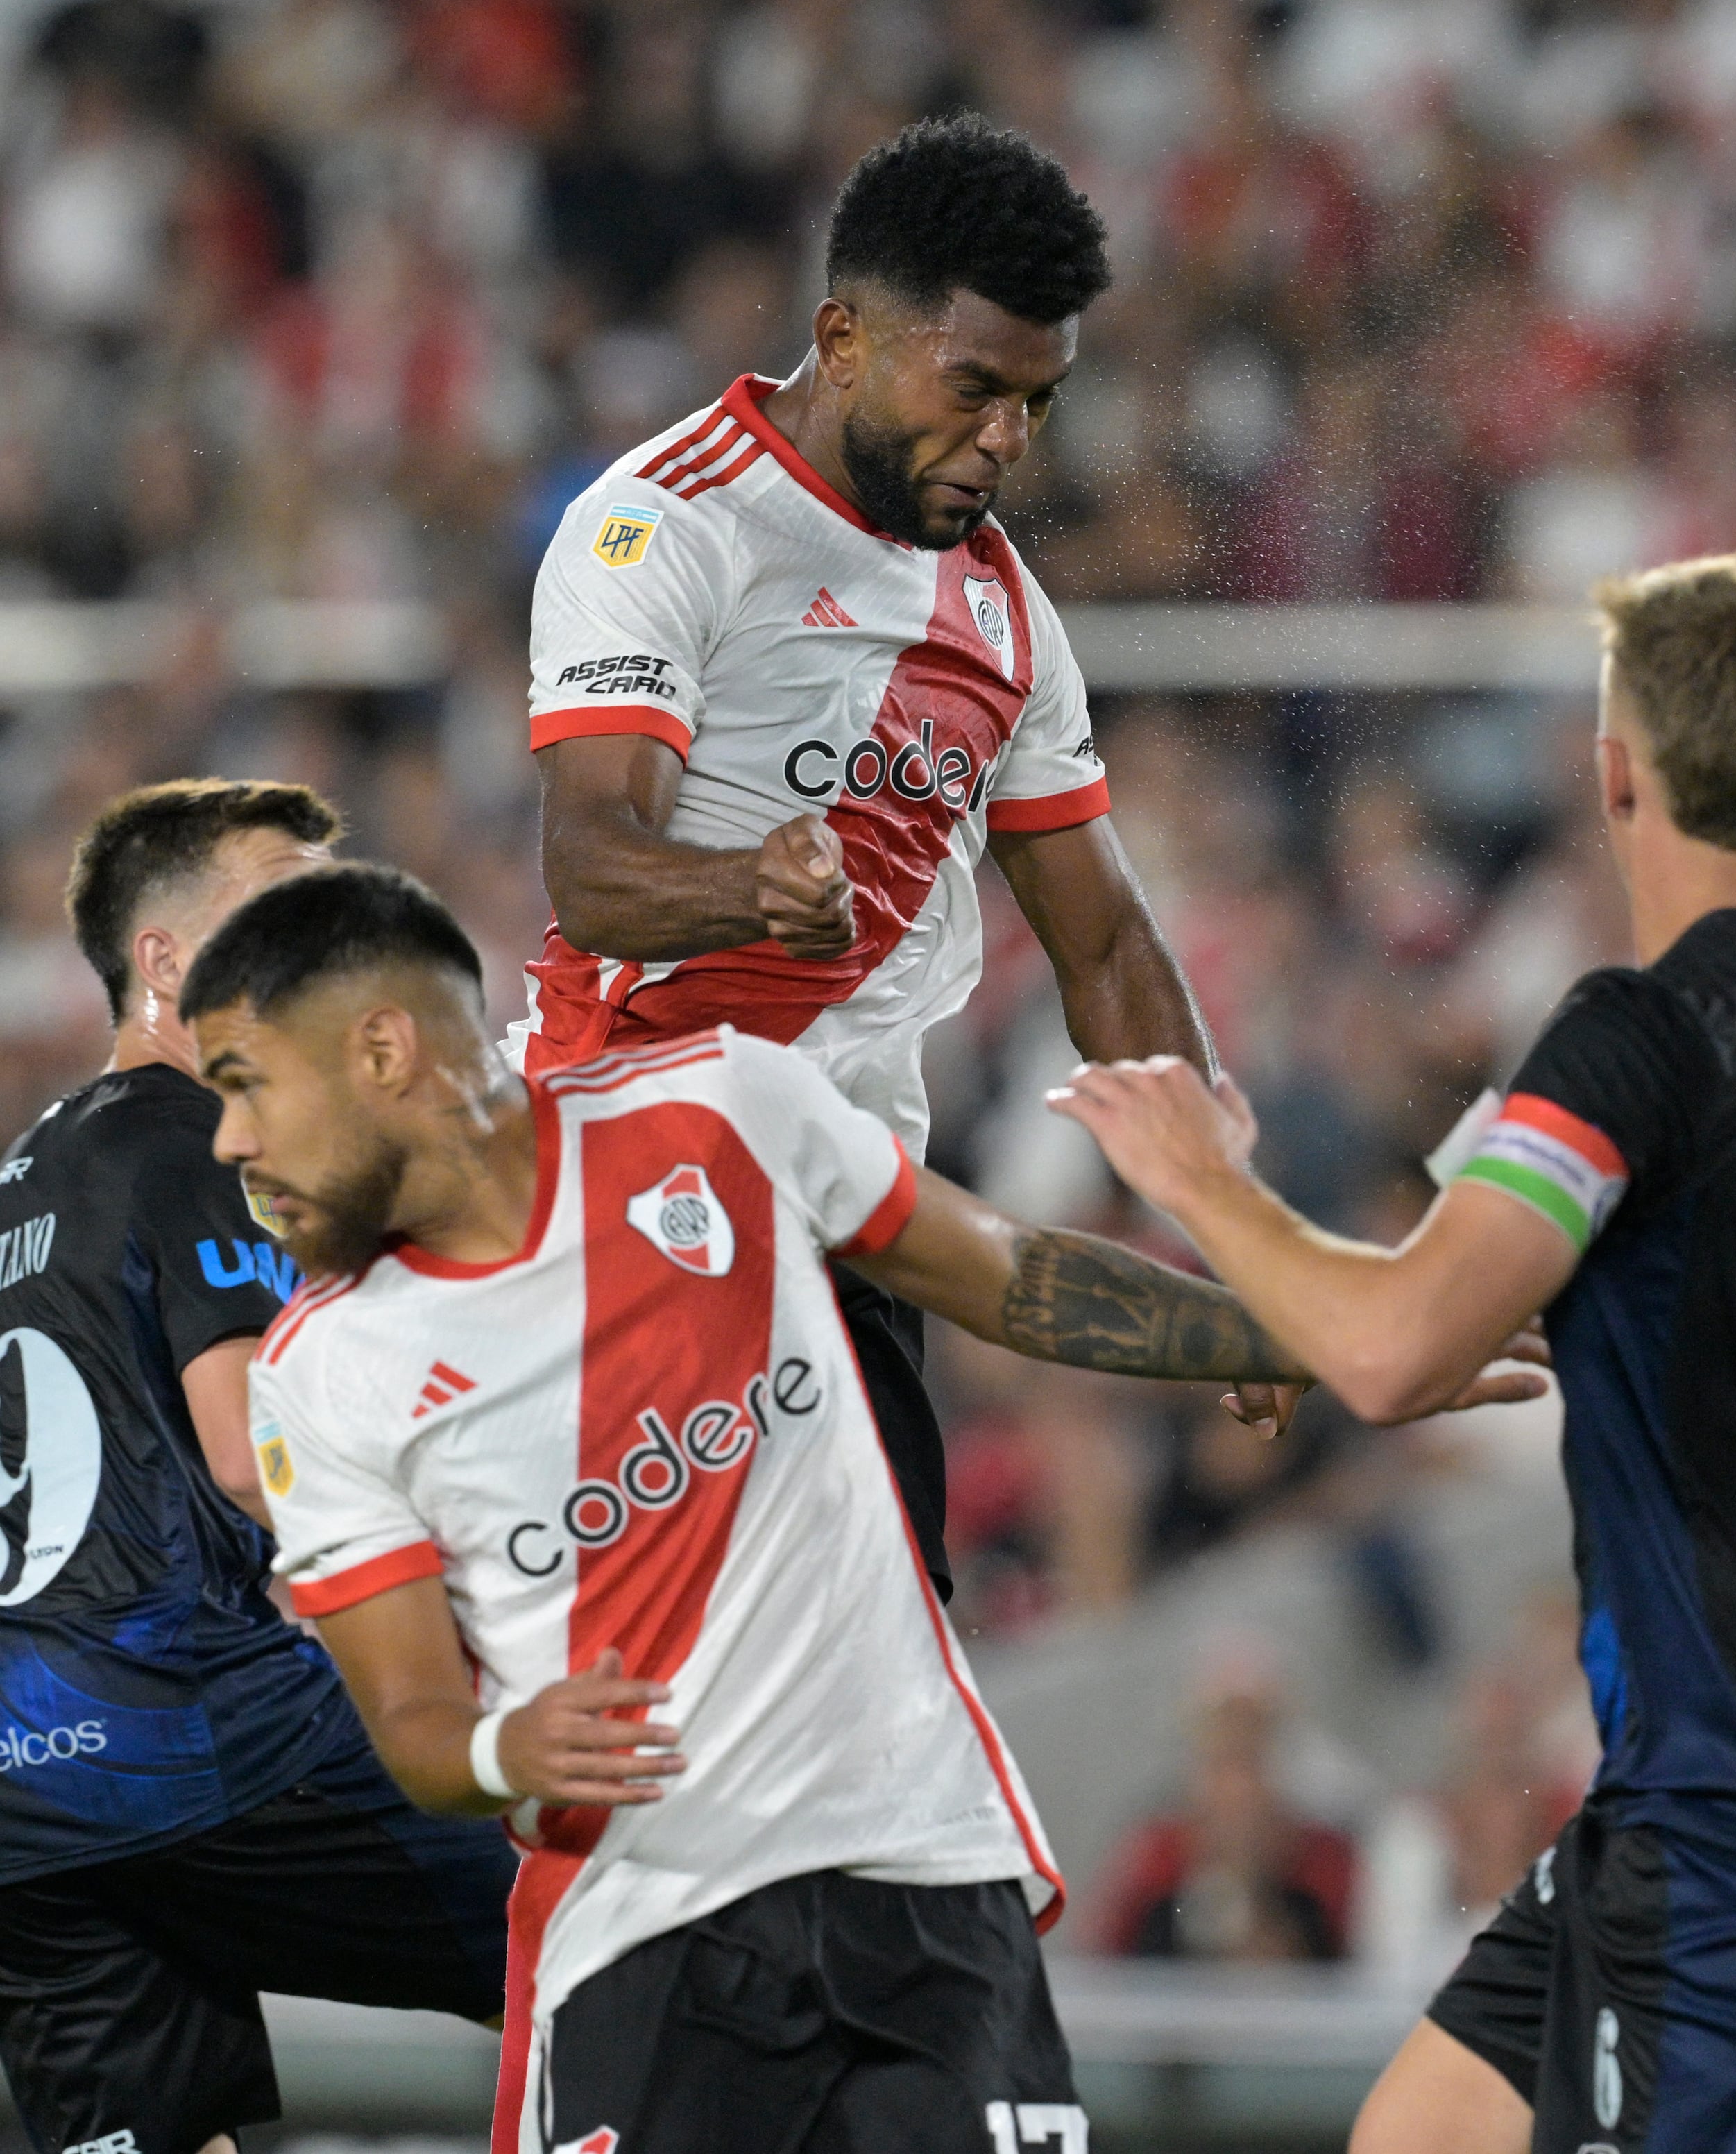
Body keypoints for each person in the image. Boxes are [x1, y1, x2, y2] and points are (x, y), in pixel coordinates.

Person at [195, 863, 1538, 2154]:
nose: (229, 1139)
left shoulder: (721, 1109)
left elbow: (1007, 1274)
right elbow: (417, 1720)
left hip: (920, 1872)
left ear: (383, 1051)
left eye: (247, 1083)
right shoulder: (325, 1371)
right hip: (646, 1936)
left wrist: (1304, 1326)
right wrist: (506, 1748)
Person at [1048, 554, 1736, 2154]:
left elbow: (1393, 1355)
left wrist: (1199, 1182)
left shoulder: (1641, 1034)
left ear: (1610, 776)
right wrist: (1691, 1280)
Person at [512, 112, 1214, 1597]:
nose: (1008, 441)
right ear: (842, 337)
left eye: (1039, 400)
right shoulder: (665, 525)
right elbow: (590, 864)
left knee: (884, 1693)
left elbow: (1104, 947)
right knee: (647, 1708)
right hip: (640, 1191)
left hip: (859, 1235)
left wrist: (1232, 1231)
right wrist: (743, 889)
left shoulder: (1009, 616)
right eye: (974, 389)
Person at [0, 783, 518, 2154]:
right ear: (164, 960)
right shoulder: (195, 1137)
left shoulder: (28, 1176)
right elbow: (250, 1452)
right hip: (187, 1719)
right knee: (605, 1922)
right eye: (275, 902)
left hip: (19, 1783)